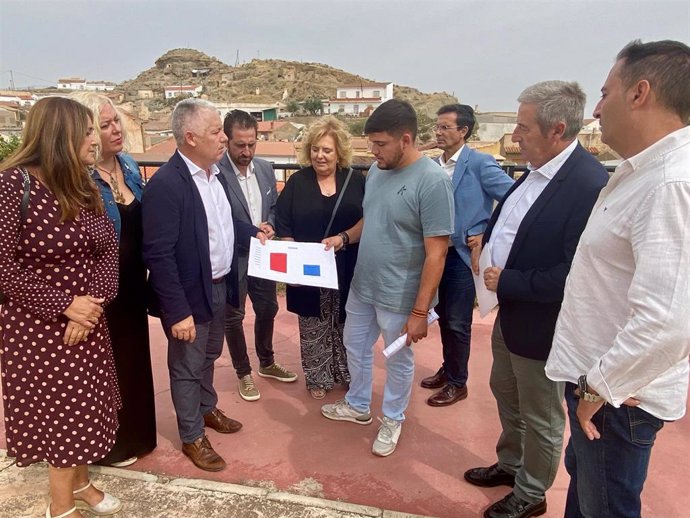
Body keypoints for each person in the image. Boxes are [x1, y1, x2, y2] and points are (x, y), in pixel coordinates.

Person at [546, 40, 690, 518]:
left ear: (639, 93)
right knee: (586, 498)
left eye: (606, 93)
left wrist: (597, 389)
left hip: (616, 398)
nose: (598, 108)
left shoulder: (671, 183)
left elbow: (669, 320)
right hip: (600, 385)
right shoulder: (641, 173)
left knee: (604, 507)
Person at [464, 81, 608, 518]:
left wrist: (508, 280)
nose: (515, 136)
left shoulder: (586, 184)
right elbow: (514, 224)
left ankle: (532, 492)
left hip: (545, 325)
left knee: (542, 414)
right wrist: (486, 244)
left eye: (523, 127)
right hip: (511, 314)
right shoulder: (539, 168)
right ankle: (511, 464)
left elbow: (574, 273)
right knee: (504, 390)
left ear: (556, 129)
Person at [0, 97, 122, 518]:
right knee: (62, 418)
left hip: (86, 323)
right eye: (88, 131)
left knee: (86, 410)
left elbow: (108, 249)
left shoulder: (80, 184)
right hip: (39, 330)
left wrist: (93, 306)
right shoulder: (14, 185)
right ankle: (60, 506)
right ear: (62, 135)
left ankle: (83, 483)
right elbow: (4, 267)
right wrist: (65, 305)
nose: (96, 139)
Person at [321, 100, 454, 456]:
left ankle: (393, 417)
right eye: (371, 144)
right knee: (355, 345)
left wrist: (420, 312)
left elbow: (437, 252)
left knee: (397, 359)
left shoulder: (433, 182)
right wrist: (345, 237)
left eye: (380, 144)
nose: (373, 152)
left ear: (406, 139)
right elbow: (372, 219)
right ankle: (359, 404)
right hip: (364, 285)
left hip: (401, 295)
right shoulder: (378, 172)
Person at [142, 99, 265, 472]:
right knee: (186, 366)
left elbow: (225, 225)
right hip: (189, 294)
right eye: (216, 132)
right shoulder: (168, 184)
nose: (225, 138)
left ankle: (207, 408)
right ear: (191, 137)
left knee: (209, 356)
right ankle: (192, 435)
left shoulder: (216, 175)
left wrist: (255, 233)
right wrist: (177, 312)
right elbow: (158, 255)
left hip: (221, 285)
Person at [71, 92, 156, 467]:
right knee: (106, 367)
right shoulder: (78, 179)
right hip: (99, 288)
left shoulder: (129, 166)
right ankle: (109, 446)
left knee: (135, 358)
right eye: (102, 125)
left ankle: (139, 436)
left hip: (134, 281)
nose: (114, 130)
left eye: (115, 121)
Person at [422, 104, 513, 407]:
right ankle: (449, 369)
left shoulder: (479, 164)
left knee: (458, 321)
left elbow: (514, 200)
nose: (439, 132)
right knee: (444, 316)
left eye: (446, 127)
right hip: (435, 254)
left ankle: (458, 383)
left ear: (463, 131)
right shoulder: (433, 165)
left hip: (461, 257)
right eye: (438, 126)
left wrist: (486, 233)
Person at [275, 116, 364, 399]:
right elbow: (284, 222)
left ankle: (347, 372)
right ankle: (318, 376)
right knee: (312, 322)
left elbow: (368, 219)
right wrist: (293, 261)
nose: (320, 155)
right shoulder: (297, 182)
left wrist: (343, 238)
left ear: (339, 153)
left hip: (347, 265)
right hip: (308, 269)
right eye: (315, 149)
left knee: (347, 321)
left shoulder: (355, 181)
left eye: (326, 150)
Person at [217, 109, 297, 402]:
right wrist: (252, 231)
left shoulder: (265, 168)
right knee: (233, 316)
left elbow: (273, 205)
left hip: (262, 254)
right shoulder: (215, 172)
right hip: (231, 257)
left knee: (268, 309)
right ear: (227, 141)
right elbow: (220, 218)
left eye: (252, 144)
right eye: (240, 145)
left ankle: (266, 362)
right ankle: (243, 373)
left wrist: (271, 224)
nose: (246, 151)